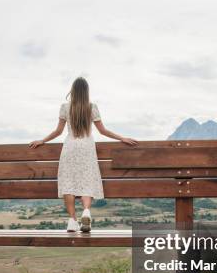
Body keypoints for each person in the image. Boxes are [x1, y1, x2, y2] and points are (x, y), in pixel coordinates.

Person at [29, 77, 137, 232]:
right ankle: (86, 211)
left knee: (68, 184)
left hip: (70, 147)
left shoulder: (65, 107)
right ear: (86, 92)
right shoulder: (92, 107)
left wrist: (42, 140)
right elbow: (103, 131)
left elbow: (58, 131)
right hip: (87, 148)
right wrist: (122, 138)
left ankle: (72, 221)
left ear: (73, 90)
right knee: (87, 181)